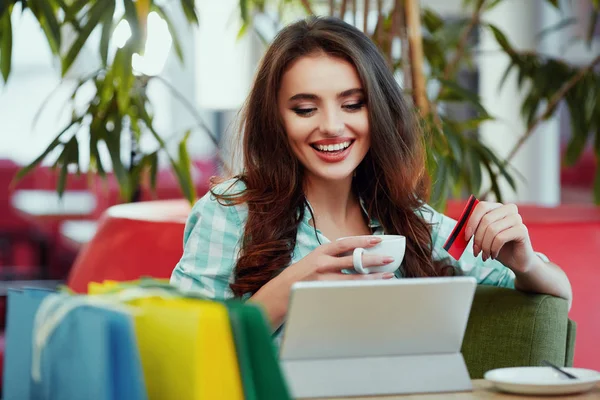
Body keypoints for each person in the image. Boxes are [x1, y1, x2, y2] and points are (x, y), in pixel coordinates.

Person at [170, 16, 572, 336]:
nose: (331, 126)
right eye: (305, 109)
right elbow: (181, 348)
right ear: (275, 119)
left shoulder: (408, 222)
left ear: (377, 110)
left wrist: (526, 262)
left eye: (353, 104)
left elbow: (561, 296)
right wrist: (290, 288)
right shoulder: (231, 212)